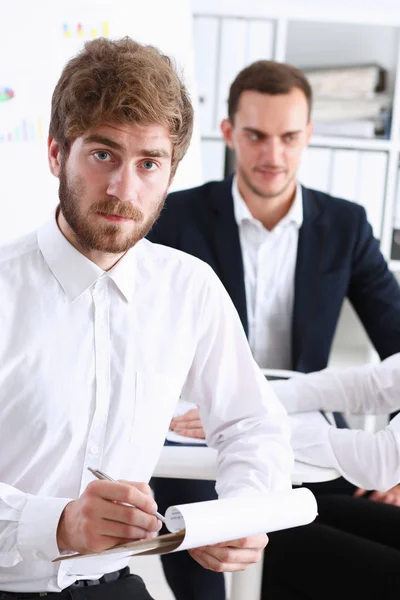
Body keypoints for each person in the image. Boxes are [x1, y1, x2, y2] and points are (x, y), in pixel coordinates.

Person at [0, 39, 295, 600]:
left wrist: (243, 508)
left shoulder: (190, 288)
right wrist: (55, 523)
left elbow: (252, 423)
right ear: (57, 154)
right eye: (103, 154)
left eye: (149, 164)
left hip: (111, 585)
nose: (123, 190)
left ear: (170, 173)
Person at [147, 59, 400, 600]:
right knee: (207, 562)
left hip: (303, 428)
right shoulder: (174, 215)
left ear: (309, 134)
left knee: (324, 560)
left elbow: (396, 338)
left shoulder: (345, 224)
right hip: (198, 428)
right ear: (229, 133)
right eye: (256, 136)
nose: (273, 155)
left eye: (289, 137)